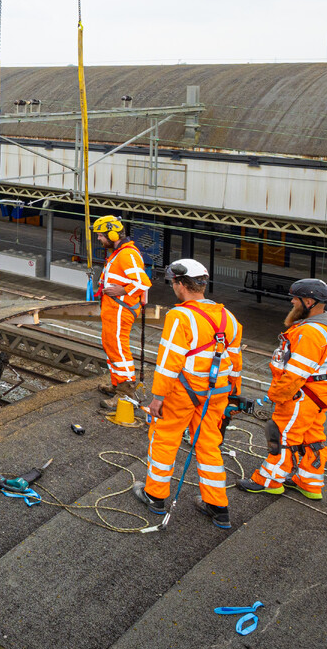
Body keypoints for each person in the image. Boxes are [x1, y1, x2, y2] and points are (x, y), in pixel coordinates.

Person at [133, 259, 243, 529]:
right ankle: (218, 507)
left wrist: (158, 397)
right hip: (216, 393)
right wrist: (234, 394)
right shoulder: (229, 317)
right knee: (208, 445)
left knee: (164, 440)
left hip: (182, 392)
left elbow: (170, 361)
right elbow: (236, 361)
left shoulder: (180, 316)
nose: (173, 287)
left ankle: (155, 497)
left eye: (173, 283)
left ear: (181, 284)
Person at [239, 279, 327, 499]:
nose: (292, 302)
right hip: (318, 395)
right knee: (313, 439)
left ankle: (269, 481)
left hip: (301, 395)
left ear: (309, 301)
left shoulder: (310, 333)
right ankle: (309, 482)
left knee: (282, 437)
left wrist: (274, 397)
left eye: (295, 298)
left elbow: (295, 373)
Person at [92, 215, 151, 413]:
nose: (99, 239)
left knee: (118, 348)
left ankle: (125, 393)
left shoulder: (127, 254)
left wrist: (121, 291)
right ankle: (118, 385)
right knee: (111, 346)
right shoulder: (119, 253)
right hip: (114, 309)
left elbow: (143, 282)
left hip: (120, 309)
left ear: (113, 233)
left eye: (101, 235)